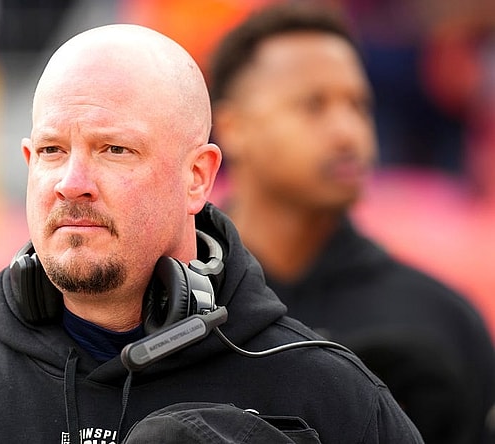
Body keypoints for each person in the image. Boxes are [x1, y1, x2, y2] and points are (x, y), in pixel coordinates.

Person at [0, 23, 423, 443]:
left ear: (198, 177)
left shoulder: (329, 396)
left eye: (114, 149)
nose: (72, 182)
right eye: (51, 150)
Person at [207, 3, 495, 444]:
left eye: (359, 105)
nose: (348, 132)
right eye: (313, 105)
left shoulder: (440, 319)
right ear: (232, 127)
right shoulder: (173, 304)